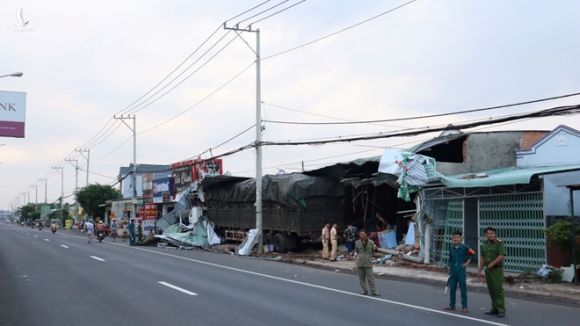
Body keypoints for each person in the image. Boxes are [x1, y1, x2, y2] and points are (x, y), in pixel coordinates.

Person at [477, 227, 507, 318]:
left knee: (498, 289)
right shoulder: (484, 244)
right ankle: (494, 308)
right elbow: (482, 257)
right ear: (486, 235)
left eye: (492, 233)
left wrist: (492, 264)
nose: (491, 235)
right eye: (489, 233)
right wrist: (479, 270)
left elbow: (502, 255)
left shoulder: (499, 243)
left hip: (496, 269)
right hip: (488, 270)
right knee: (491, 290)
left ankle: (501, 309)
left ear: (495, 234)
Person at [445, 230, 475, 313]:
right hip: (453, 271)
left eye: (457, 237)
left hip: (461, 271)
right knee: (452, 289)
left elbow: (472, 253)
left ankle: (464, 306)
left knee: (463, 289)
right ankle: (452, 305)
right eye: (454, 237)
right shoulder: (451, 248)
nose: (455, 239)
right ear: (452, 238)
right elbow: (450, 259)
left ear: (461, 238)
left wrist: (468, 262)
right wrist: (449, 267)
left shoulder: (465, 247)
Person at [355, 230, 379, 296]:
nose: (362, 235)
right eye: (361, 234)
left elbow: (372, 251)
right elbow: (357, 251)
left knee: (370, 278)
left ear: (366, 235)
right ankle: (364, 290)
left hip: (368, 262)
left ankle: (374, 291)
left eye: (363, 234)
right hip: (360, 262)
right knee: (361, 278)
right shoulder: (357, 243)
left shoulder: (371, 242)